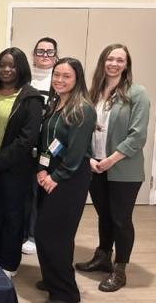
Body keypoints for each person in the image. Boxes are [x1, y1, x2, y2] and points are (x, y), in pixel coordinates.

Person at [75, 44, 151, 292]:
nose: (114, 63)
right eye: (110, 58)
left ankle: (120, 269)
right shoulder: (94, 92)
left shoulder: (137, 93)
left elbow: (137, 135)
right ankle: (103, 256)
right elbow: (85, 127)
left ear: (126, 65)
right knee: (104, 215)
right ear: (103, 62)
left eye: (120, 60)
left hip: (122, 169)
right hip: (95, 165)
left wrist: (110, 159)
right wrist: (90, 159)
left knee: (120, 219)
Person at [0, 47, 43, 278]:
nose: (6, 69)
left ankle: (9, 262)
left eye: (12, 65)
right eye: (3, 65)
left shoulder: (31, 97)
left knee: (13, 215)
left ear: (20, 68)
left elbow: (27, 138)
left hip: (14, 167)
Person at [36, 58, 97, 303]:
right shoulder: (54, 104)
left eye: (66, 76)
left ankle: (65, 293)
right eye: (56, 75)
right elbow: (46, 143)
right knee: (46, 232)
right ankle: (52, 279)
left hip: (69, 178)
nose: (59, 80)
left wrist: (55, 177)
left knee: (55, 236)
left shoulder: (82, 109)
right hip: (49, 173)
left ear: (77, 79)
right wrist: (41, 170)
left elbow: (75, 153)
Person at [23, 37, 59, 255]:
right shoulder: (26, 80)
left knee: (40, 192)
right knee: (25, 191)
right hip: (25, 145)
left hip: (49, 148)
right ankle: (23, 231)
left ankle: (34, 235)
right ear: (34, 54)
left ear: (55, 55)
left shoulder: (59, 80)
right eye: (40, 51)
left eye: (49, 52)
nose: (44, 56)